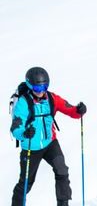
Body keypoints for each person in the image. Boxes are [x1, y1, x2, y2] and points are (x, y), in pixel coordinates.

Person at [10, 67, 87, 206]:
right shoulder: (23, 102)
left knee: (62, 170)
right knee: (26, 183)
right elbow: (15, 128)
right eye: (37, 88)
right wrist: (24, 133)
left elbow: (69, 109)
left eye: (44, 86)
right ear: (29, 86)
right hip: (31, 147)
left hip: (50, 142)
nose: (41, 91)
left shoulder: (52, 98)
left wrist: (78, 110)